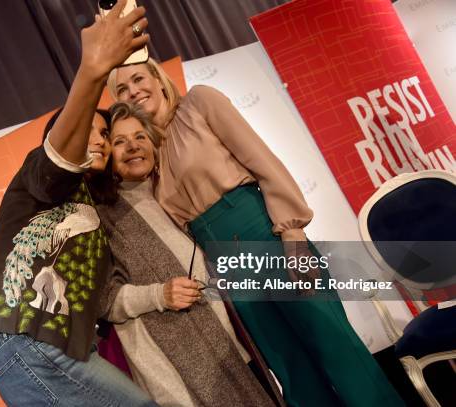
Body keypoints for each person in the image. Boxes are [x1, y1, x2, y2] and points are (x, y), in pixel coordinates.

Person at [107, 59, 405, 406]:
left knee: (339, 351)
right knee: (293, 374)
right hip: (226, 267)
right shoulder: (150, 150)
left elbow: (263, 162)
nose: (133, 92)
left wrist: (293, 237)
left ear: (158, 78)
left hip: (265, 238)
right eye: (122, 90)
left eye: (138, 79)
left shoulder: (200, 102)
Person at [0, 2, 158, 405]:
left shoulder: (95, 203)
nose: (100, 139)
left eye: (105, 134)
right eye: (88, 127)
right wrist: (93, 71)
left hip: (54, 348)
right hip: (29, 340)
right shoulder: (40, 175)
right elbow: (60, 158)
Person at [94, 102, 283, 407]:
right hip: (181, 368)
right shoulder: (102, 217)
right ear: (107, 156)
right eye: (119, 141)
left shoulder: (176, 191)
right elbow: (106, 301)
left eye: (140, 137)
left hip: (238, 345)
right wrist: (159, 295)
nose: (133, 147)